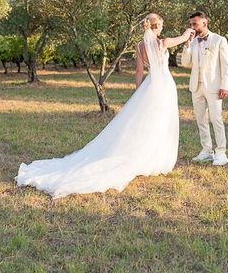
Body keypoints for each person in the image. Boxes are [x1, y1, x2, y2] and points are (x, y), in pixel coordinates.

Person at [15, 13, 194, 199]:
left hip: (149, 87)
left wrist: (139, 95)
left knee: (143, 123)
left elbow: (139, 73)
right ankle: (151, 158)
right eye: (162, 25)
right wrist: (190, 30)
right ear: (159, 26)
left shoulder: (139, 47)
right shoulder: (162, 43)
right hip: (163, 86)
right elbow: (182, 38)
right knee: (160, 123)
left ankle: (144, 155)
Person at [181, 11, 228, 166]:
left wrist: (225, 86)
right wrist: (187, 45)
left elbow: (226, 65)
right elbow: (185, 63)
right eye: (190, 24)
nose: (192, 27)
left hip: (214, 86)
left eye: (195, 23)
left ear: (205, 22)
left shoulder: (219, 40)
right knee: (201, 120)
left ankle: (221, 152)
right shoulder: (194, 41)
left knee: (216, 119)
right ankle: (207, 151)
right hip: (196, 86)